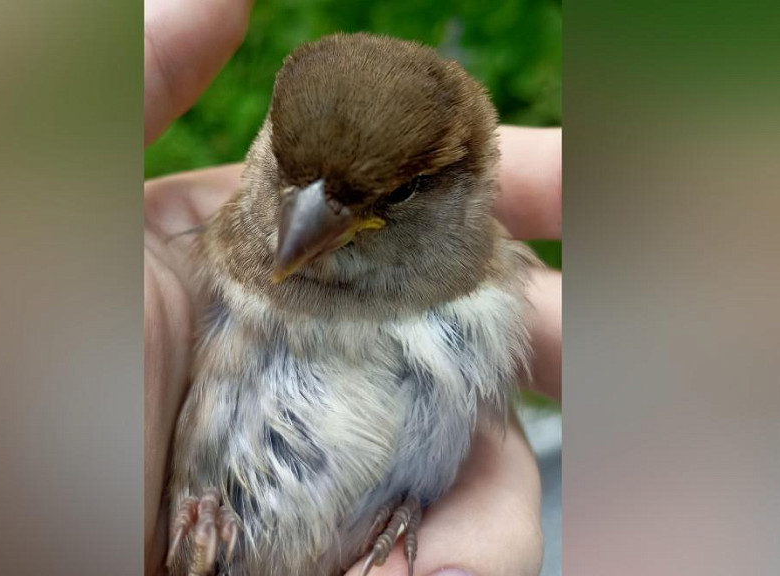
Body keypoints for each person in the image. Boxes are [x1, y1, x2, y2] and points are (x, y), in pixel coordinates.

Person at [143, 1, 562, 574]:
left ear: (458, 184)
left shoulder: (486, 280)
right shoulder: (205, 251)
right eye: (288, 178)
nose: (303, 228)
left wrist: (406, 510)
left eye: (395, 197)